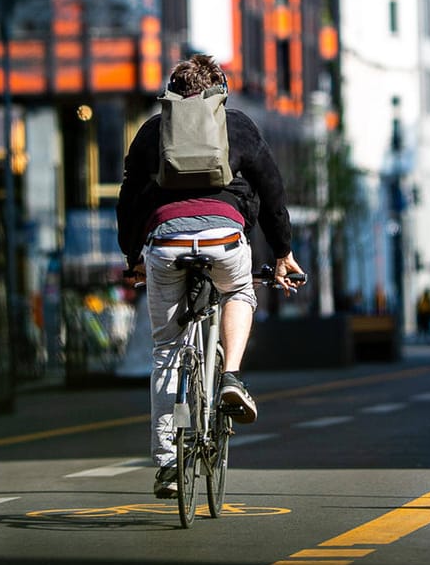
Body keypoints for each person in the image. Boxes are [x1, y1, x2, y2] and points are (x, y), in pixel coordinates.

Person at [118, 53, 303, 500]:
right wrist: (282, 253)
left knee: (166, 349)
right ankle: (232, 377)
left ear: (171, 92)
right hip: (224, 237)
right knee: (239, 289)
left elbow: (128, 198)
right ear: (218, 88)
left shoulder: (152, 129)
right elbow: (272, 190)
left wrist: (133, 257)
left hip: (166, 242)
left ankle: (166, 462)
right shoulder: (235, 124)